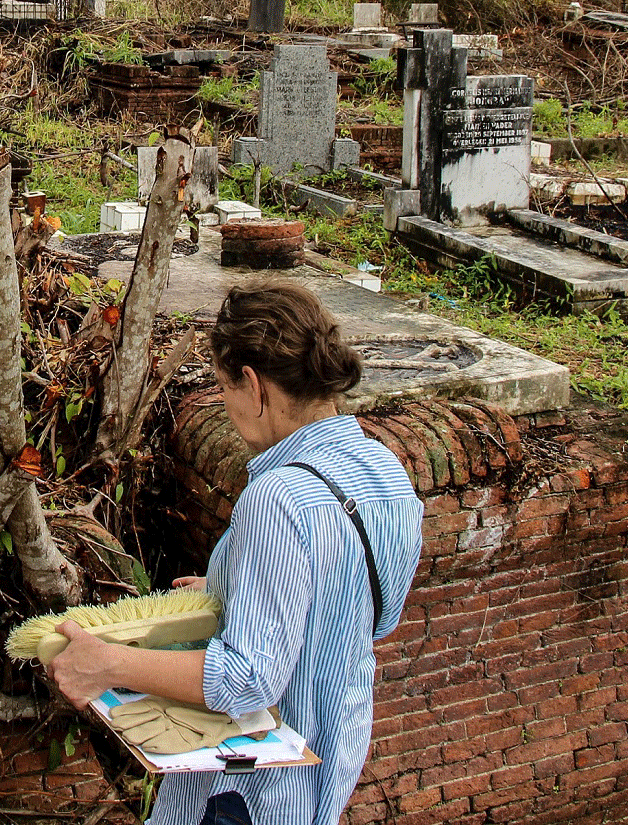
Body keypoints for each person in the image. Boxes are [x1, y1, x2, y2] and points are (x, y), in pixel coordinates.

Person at [48, 280, 424, 825]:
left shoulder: (277, 499)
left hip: (250, 790)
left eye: (224, 387)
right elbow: (374, 615)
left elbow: (248, 679)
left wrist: (107, 664)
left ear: (254, 386)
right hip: (331, 756)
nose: (225, 404)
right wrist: (236, 585)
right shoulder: (384, 471)